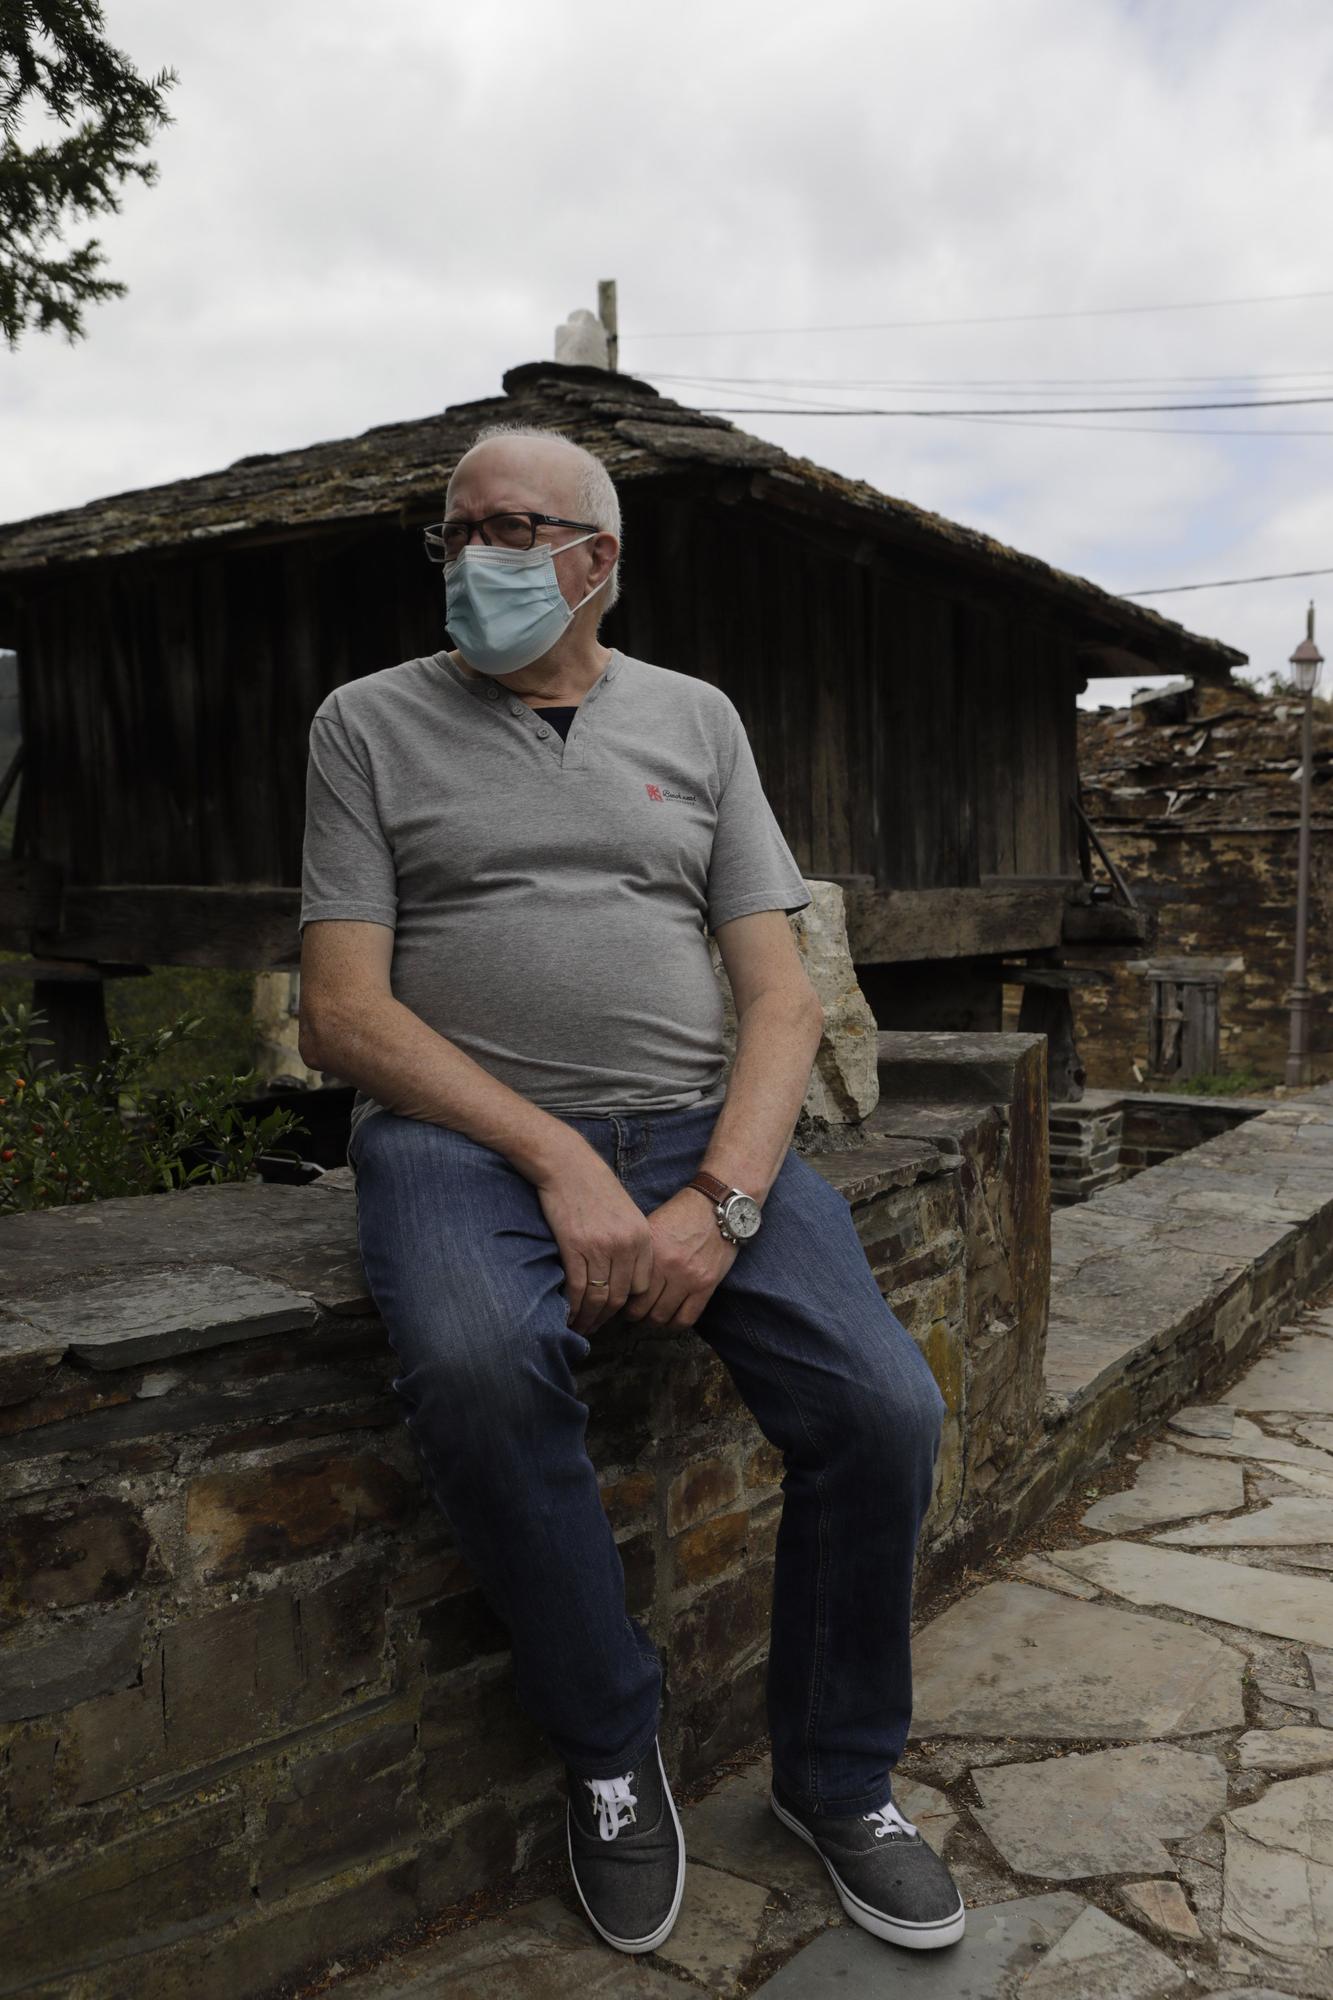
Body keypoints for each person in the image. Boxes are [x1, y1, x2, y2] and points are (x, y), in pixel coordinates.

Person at [297, 422, 963, 1958]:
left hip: (695, 1125)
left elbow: (780, 998)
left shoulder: (695, 720)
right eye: (455, 534)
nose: (474, 559)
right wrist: (558, 1159)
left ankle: (838, 1776)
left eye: (512, 531)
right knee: (474, 1366)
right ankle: (611, 1751)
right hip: (459, 1139)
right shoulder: (364, 725)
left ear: (595, 562)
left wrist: (723, 1195)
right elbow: (342, 1011)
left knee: (883, 1409)